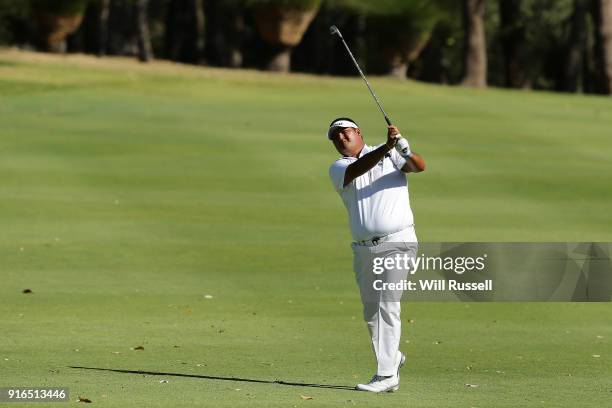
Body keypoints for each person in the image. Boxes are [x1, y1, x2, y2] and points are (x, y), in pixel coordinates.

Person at [327, 117, 425, 393]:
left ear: (357, 132)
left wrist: (403, 149)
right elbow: (360, 168)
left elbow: (419, 167)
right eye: (335, 138)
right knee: (372, 313)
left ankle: (386, 376)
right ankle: (392, 358)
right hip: (363, 249)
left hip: (398, 241)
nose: (341, 139)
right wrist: (387, 147)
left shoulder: (390, 153)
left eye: (344, 133)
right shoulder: (339, 167)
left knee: (387, 304)